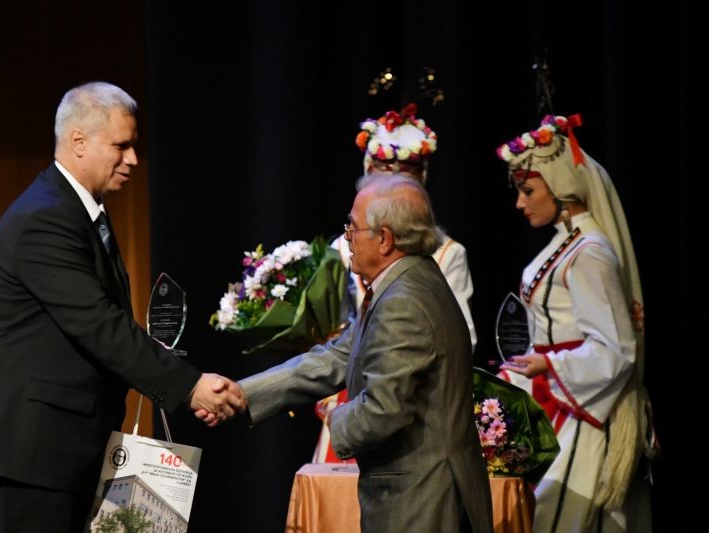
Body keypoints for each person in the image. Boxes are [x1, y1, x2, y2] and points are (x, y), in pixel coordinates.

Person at [0, 81, 244, 532]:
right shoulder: (45, 218)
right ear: (78, 141)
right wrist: (189, 387)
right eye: (121, 146)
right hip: (28, 457)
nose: (133, 159)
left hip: (60, 453)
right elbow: (99, 325)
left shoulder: (78, 211)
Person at [228, 174, 493, 532]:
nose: (347, 237)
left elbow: (384, 409)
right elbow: (337, 356)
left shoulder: (403, 301)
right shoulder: (409, 281)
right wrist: (243, 394)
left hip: (421, 500)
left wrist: (335, 417)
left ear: (384, 238)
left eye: (353, 227)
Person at [495, 114, 655, 532]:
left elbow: (616, 349)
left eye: (528, 191)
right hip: (556, 403)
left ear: (561, 187)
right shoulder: (567, 243)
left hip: (582, 414)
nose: (520, 203)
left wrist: (548, 364)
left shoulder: (589, 252)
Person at [313, 104, 477, 463]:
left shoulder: (446, 254)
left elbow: (461, 338)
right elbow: (336, 339)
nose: (393, 181)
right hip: (349, 397)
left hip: (409, 402)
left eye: (406, 173)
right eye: (383, 171)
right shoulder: (342, 248)